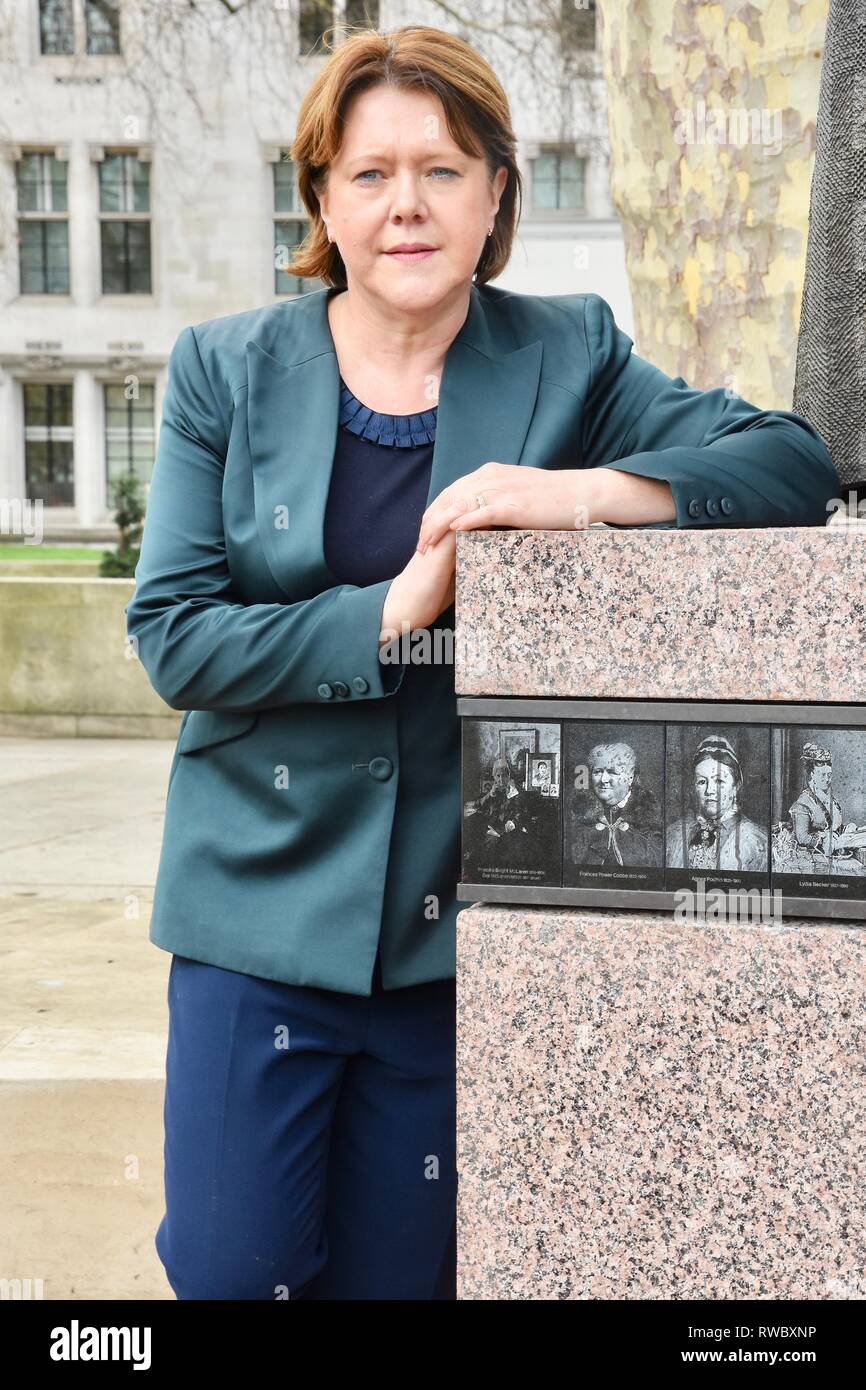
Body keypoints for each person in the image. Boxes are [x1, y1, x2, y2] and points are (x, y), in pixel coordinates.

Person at [124, 25, 839, 1300]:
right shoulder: (220, 371)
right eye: (369, 174)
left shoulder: (569, 350)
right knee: (238, 1276)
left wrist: (581, 494)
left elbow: (788, 462)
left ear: (497, 191)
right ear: (322, 203)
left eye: (443, 169)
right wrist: (384, 609)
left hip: (452, 936)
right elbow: (174, 634)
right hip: (255, 914)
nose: (406, 204)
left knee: (405, 1286)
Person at [666, 735, 768, 872]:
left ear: (735, 786)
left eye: (719, 781)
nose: (710, 790)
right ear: (694, 787)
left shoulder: (755, 840)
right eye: (702, 782)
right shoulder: (675, 834)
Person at [569, 741, 663, 868]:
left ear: (630, 777)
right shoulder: (580, 815)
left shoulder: (650, 815)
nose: (603, 779)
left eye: (612, 772)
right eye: (597, 772)